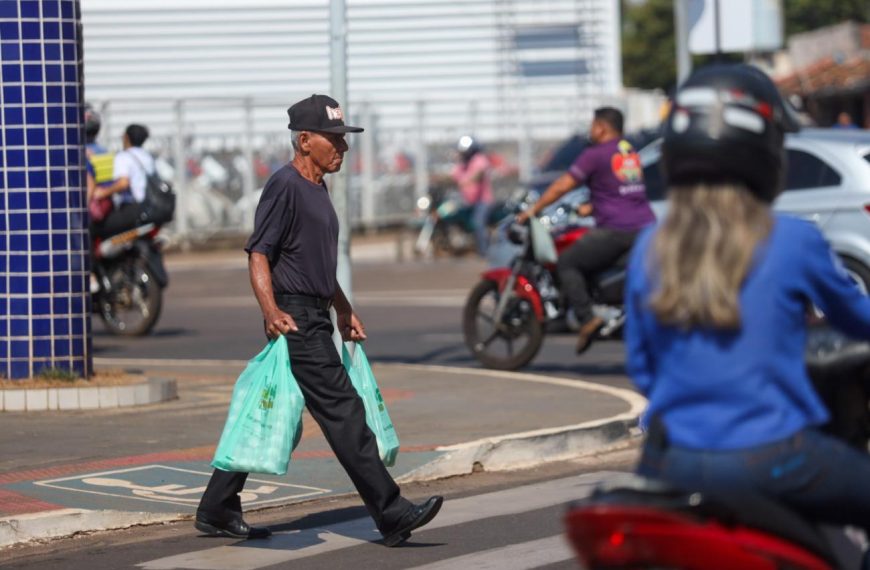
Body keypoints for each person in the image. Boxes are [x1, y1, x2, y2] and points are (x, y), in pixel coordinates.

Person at [626, 64, 870, 537]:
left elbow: (642, 368)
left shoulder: (647, 247)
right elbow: (860, 320)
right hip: (777, 459)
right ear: (766, 152)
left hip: (668, 462)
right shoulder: (793, 239)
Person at [195, 94, 443, 545]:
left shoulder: (316, 187)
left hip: (315, 314)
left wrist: (344, 309)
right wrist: (271, 311)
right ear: (304, 140)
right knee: (345, 413)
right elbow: (258, 253)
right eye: (335, 140)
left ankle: (216, 506)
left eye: (344, 140)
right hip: (294, 319)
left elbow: (317, 266)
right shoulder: (285, 185)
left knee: (273, 412)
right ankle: (391, 512)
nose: (343, 148)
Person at [517, 107, 655, 353]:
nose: (590, 130)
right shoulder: (628, 152)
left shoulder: (596, 154)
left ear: (601, 127)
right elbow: (623, 189)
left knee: (568, 262)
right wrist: (591, 207)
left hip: (617, 229)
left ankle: (586, 317)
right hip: (645, 227)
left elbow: (563, 185)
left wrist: (533, 209)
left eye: (593, 125)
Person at [91, 124, 153, 238]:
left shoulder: (124, 156)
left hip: (131, 208)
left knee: (95, 228)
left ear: (126, 138)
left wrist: (102, 192)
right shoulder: (148, 157)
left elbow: (123, 183)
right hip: (148, 208)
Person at [451, 135, 494, 255]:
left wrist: (467, 181)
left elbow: (479, 174)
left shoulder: (479, 159)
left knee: (478, 223)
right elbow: (453, 177)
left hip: (483, 201)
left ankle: (484, 252)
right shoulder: (461, 164)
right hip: (466, 201)